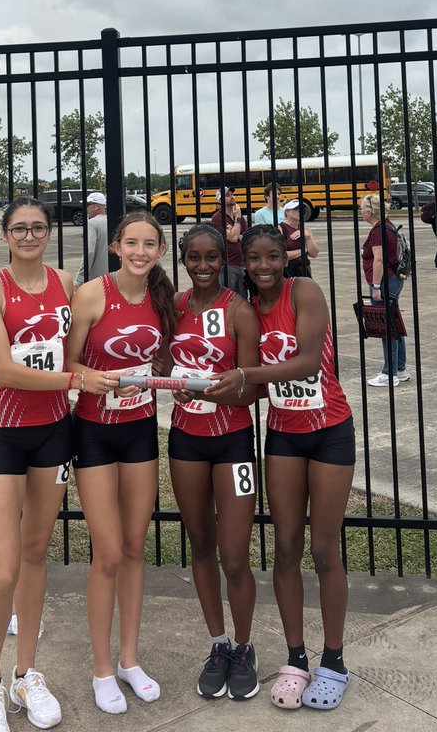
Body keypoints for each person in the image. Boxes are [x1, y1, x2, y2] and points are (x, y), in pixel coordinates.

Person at [0, 196, 119, 732]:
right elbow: (5, 370)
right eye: (19, 229)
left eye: (38, 227)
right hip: (5, 434)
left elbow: (90, 337)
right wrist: (76, 381)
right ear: (6, 236)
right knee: (4, 566)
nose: (29, 235)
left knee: (35, 555)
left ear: (49, 233)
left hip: (55, 434)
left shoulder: (64, 283)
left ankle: (25, 673)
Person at [208, 226, 355, 713]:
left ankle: (333, 660)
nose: (264, 266)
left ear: (284, 258)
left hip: (330, 429)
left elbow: (309, 363)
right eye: (254, 258)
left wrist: (246, 375)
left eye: (272, 256)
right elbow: (243, 386)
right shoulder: (246, 311)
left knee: (324, 549)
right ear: (244, 262)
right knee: (287, 548)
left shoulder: (304, 291)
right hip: (284, 434)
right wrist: (198, 385)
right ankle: (296, 658)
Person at [66, 212, 176, 715]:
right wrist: (99, 379)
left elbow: (164, 359)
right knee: (107, 552)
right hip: (93, 431)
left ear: (158, 250)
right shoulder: (91, 294)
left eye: (148, 244)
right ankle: (102, 668)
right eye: (131, 242)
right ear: (115, 246)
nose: (139, 251)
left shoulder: (162, 298)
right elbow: (67, 364)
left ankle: (130, 659)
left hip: (139, 430)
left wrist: (156, 372)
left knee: (134, 547)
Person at [161, 223, 261, 700]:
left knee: (235, 554)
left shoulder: (240, 311)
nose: (202, 266)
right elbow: (161, 367)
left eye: (212, 258)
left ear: (225, 260)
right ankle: (218, 644)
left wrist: (228, 389)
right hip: (185, 440)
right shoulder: (174, 307)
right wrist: (172, 383)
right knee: (200, 544)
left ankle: (244, 647)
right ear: (183, 260)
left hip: (232, 442)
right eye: (194, 258)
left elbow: (255, 388)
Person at [361, 193, 409, 387]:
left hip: (385, 280)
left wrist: (376, 286)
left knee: (385, 327)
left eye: (363, 208)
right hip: (394, 278)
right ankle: (400, 368)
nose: (361, 212)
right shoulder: (388, 225)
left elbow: (378, 259)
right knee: (393, 324)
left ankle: (389, 373)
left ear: (370, 211)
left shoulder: (378, 231)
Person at [209, 188, 248, 296]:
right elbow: (233, 238)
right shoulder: (218, 218)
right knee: (228, 297)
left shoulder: (238, 217)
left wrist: (235, 231)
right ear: (219, 200)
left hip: (241, 263)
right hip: (228, 264)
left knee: (242, 297)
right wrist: (237, 220)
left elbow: (248, 238)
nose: (231, 197)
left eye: (232, 194)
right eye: (227, 195)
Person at [75, 191, 109, 286]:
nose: (86, 209)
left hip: (97, 279)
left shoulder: (92, 223)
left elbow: (89, 252)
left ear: (96, 206)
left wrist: (79, 279)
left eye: (88, 205)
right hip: (112, 276)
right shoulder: (110, 221)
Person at [278, 200, 319, 278]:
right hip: (288, 272)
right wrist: (303, 250)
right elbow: (280, 255)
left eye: (301, 208)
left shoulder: (305, 228)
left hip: (304, 271)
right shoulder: (281, 228)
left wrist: (307, 236)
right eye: (296, 209)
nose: (299, 211)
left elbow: (314, 253)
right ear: (287, 212)